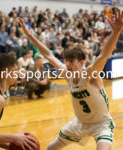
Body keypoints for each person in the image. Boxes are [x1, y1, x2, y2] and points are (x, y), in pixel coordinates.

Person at [19, 9, 123, 150]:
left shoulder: (90, 75)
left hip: (101, 124)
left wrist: (116, 32)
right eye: (66, 61)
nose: (67, 65)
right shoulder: (67, 73)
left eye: (71, 61)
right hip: (79, 123)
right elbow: (48, 54)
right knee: (50, 148)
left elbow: (103, 56)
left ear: (81, 62)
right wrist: (30, 35)